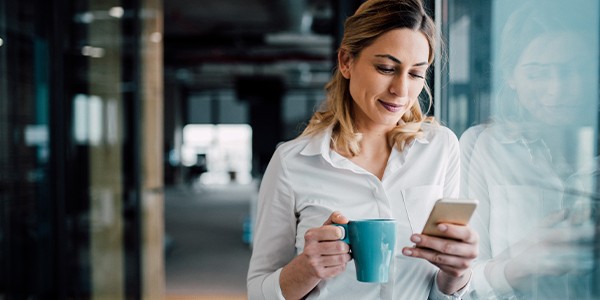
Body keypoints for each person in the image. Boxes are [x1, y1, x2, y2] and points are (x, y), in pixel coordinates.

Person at [247, 0, 479, 299]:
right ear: (346, 62)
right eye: (386, 68)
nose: (401, 90)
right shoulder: (293, 162)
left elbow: (441, 290)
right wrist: (307, 269)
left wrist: (456, 273)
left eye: (416, 74)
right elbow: (257, 291)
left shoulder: (440, 147)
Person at [459, 1, 598, 299]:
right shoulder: (483, 147)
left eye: (574, 71)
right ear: (511, 77)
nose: (558, 90)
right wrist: (523, 264)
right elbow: (460, 281)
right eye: (537, 74)